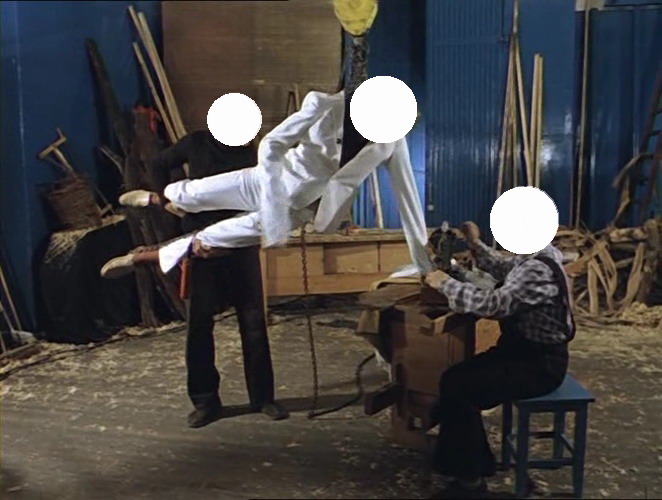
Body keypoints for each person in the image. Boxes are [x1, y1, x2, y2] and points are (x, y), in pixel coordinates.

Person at [101, 90, 433, 278]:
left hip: (300, 209)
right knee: (193, 194)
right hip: (270, 178)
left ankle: (144, 258)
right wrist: (272, 195)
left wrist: (424, 265)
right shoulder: (324, 105)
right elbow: (273, 143)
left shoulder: (390, 143)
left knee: (215, 237)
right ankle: (155, 200)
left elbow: (408, 199)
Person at [125, 130, 288, 428]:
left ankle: (263, 397)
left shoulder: (252, 150)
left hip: (240, 242)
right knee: (199, 324)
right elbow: (158, 163)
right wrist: (165, 201)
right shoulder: (196, 142)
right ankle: (204, 401)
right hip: (200, 243)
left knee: (253, 322)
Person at [424, 221, 575, 497]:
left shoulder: (538, 270)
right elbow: (503, 268)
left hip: (538, 365)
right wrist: (474, 244)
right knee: (454, 380)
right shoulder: (538, 254)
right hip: (520, 352)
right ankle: (468, 464)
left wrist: (446, 284)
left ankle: (470, 482)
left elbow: (494, 305)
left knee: (459, 388)